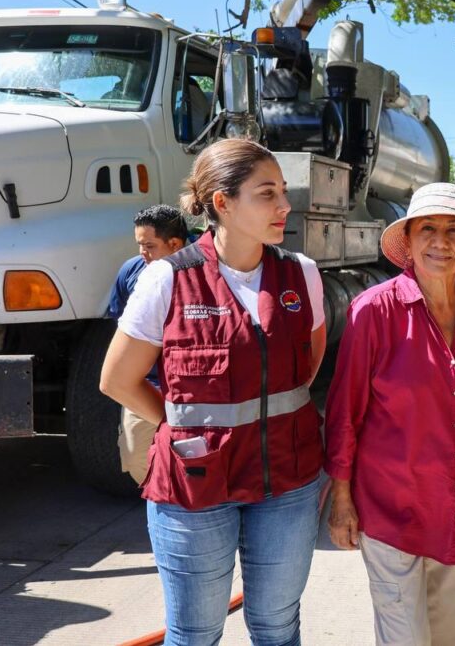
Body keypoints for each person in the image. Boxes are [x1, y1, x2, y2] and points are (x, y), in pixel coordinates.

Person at [99, 139, 327, 645]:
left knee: (276, 626)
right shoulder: (166, 279)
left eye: (283, 191)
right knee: (196, 633)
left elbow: (306, 368)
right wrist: (180, 426)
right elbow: (117, 379)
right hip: (195, 488)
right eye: (267, 193)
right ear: (222, 203)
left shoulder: (301, 274)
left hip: (286, 484)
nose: (284, 206)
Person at [325, 182, 455, 646]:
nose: (440, 241)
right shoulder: (373, 311)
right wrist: (342, 500)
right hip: (393, 512)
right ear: (408, 242)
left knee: (454, 636)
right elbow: (344, 413)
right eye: (427, 228)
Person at [107, 204, 187, 485]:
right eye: (139, 245)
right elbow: (121, 327)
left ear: (175, 243)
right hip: (146, 386)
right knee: (136, 459)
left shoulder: (203, 273)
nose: (142, 253)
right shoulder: (131, 271)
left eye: (149, 246)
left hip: (192, 391)